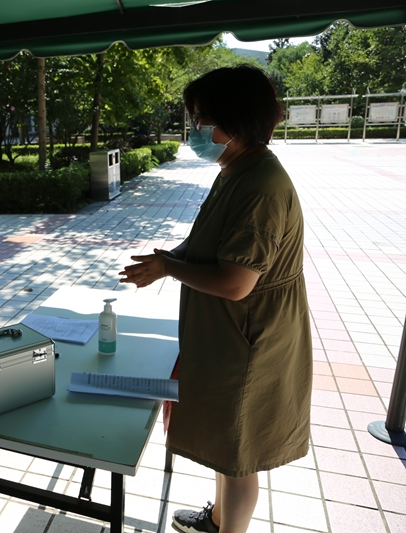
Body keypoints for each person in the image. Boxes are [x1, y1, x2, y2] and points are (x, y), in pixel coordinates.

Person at [119, 65, 312, 533]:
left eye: (202, 118)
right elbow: (208, 240)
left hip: (251, 337)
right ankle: (219, 520)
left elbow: (236, 282)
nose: (195, 128)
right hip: (234, 332)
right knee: (230, 446)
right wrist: (168, 258)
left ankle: (230, 529)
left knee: (240, 453)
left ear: (236, 120)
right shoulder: (238, 169)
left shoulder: (261, 186)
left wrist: (168, 268)